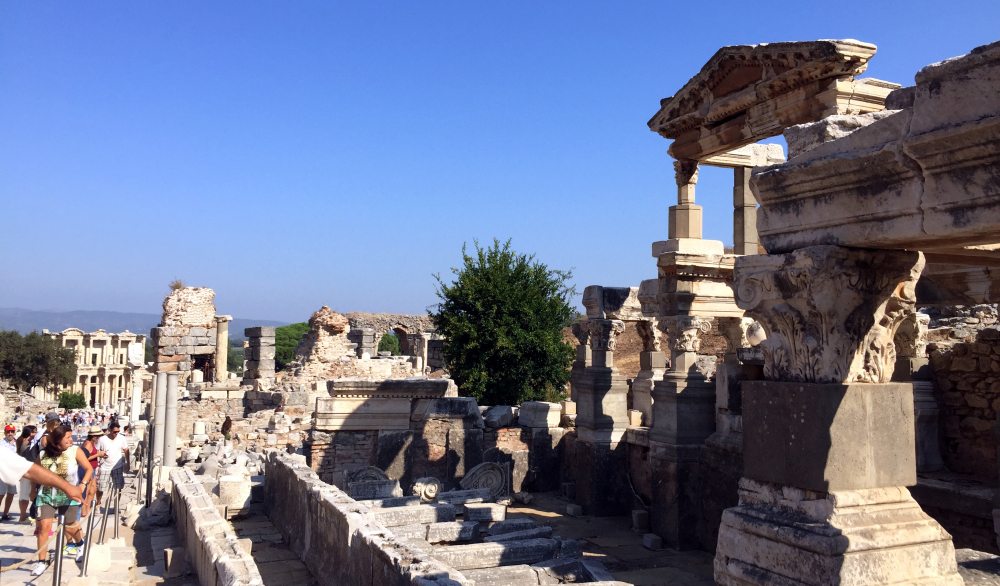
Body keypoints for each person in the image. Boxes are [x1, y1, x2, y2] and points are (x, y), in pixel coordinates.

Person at [29, 424, 91, 576]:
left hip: (69, 494)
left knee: (70, 525)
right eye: (68, 437)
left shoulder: (75, 451)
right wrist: (32, 489)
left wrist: (82, 485)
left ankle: (80, 544)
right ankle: (41, 561)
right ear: (57, 440)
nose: (72, 439)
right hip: (47, 495)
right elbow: (33, 472)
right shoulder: (43, 454)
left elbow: (89, 469)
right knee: (44, 526)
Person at [95, 421, 129, 507]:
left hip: (117, 466)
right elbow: (97, 451)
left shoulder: (122, 438)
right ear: (109, 430)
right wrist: (101, 456)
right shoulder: (102, 439)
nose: (116, 434)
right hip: (104, 467)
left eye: (118, 432)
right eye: (114, 432)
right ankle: (98, 503)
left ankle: (116, 505)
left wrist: (128, 463)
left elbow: (126, 450)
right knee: (100, 487)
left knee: (118, 487)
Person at [15, 425, 37, 523]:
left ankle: (30, 514)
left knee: (32, 493)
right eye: (34, 432)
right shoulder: (22, 441)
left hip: (33, 469)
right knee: (24, 494)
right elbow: (22, 455)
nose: (35, 434)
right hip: (25, 470)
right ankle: (22, 515)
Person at [0, 425, 17, 520]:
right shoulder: (2, 444)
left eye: (12, 431)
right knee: (1, 493)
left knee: (11, 493)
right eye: (8, 432)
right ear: (5, 433)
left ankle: (5, 513)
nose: (10, 433)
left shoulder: (17, 443)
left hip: (13, 472)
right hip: (3, 471)